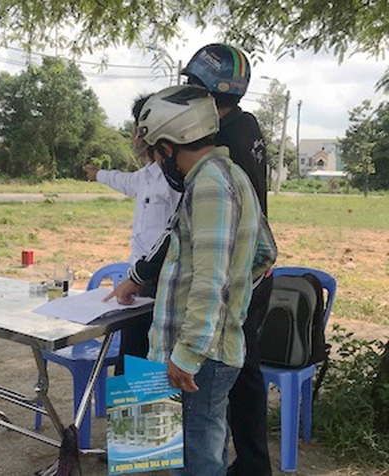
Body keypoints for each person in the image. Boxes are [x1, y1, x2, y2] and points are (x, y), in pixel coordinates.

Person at [106, 84, 277, 475]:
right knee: (194, 450)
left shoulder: (209, 185)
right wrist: (234, 297)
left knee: (197, 460)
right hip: (203, 347)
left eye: (157, 151)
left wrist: (189, 352)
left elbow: (210, 280)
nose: (160, 161)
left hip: (202, 357)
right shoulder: (229, 175)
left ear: (168, 146)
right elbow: (264, 252)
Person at [182, 43, 272, 476]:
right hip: (253, 263)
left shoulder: (221, 138)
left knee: (235, 370)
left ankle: (249, 465)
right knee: (246, 367)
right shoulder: (246, 124)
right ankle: (253, 463)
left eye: (191, 85)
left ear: (205, 88)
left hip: (236, 268)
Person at [83, 94, 181, 374]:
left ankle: (141, 415)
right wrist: (98, 174)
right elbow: (124, 181)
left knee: (149, 362)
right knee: (131, 358)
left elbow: (174, 234)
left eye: (136, 128)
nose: (133, 136)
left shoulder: (174, 179)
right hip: (139, 280)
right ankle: (127, 417)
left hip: (160, 282)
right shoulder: (148, 175)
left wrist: (140, 276)